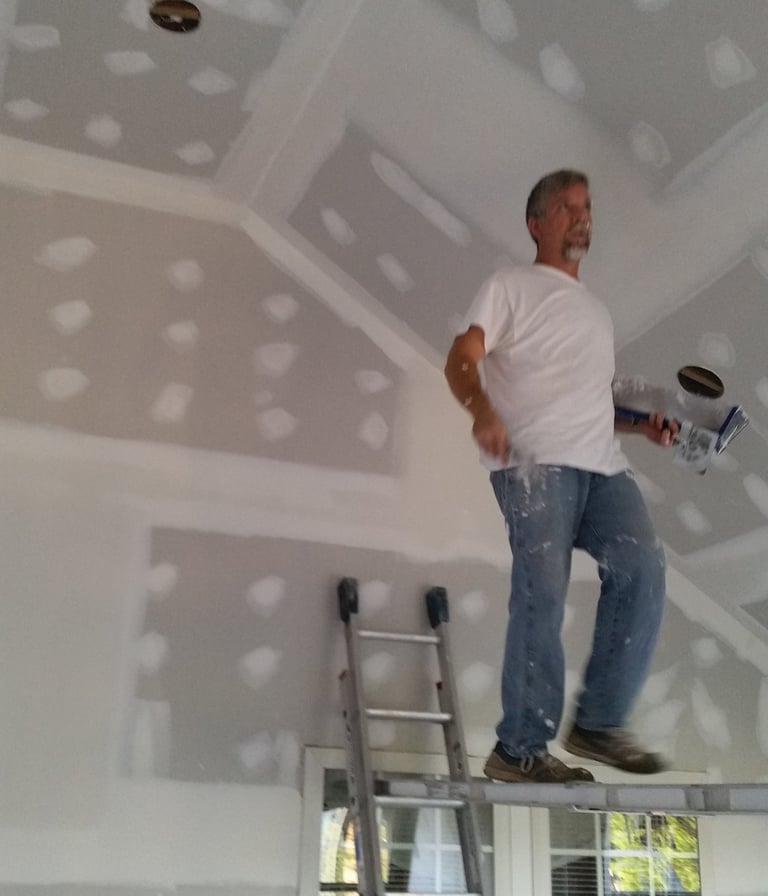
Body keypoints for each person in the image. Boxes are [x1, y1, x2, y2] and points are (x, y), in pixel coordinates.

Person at [444, 170, 678, 783]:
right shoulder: (509, 286)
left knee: (643, 566)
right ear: (536, 224)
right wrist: (482, 409)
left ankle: (598, 723)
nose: (582, 216)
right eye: (567, 207)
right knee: (542, 591)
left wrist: (641, 426)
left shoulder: (596, 312)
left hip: (603, 464)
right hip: (535, 462)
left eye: (587, 207)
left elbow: (591, 399)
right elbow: (461, 357)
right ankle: (519, 749)